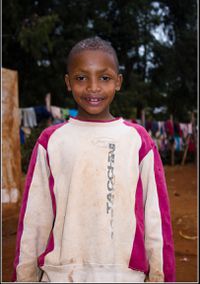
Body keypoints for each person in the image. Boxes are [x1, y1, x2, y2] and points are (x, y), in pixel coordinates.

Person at [13, 37, 175, 282]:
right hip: (61, 275)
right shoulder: (52, 140)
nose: (93, 87)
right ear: (68, 82)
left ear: (118, 82)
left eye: (104, 77)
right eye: (81, 78)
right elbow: (34, 219)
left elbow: (156, 219)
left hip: (124, 276)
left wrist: (161, 276)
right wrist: (24, 277)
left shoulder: (137, 140)